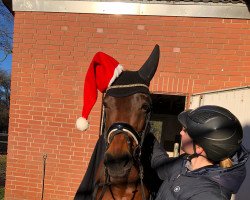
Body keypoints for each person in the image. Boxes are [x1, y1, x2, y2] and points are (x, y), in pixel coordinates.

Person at [151, 105, 249, 200]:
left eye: (185, 130)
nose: (181, 132)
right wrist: (148, 136)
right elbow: (160, 163)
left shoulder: (209, 195)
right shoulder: (184, 164)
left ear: (198, 147)